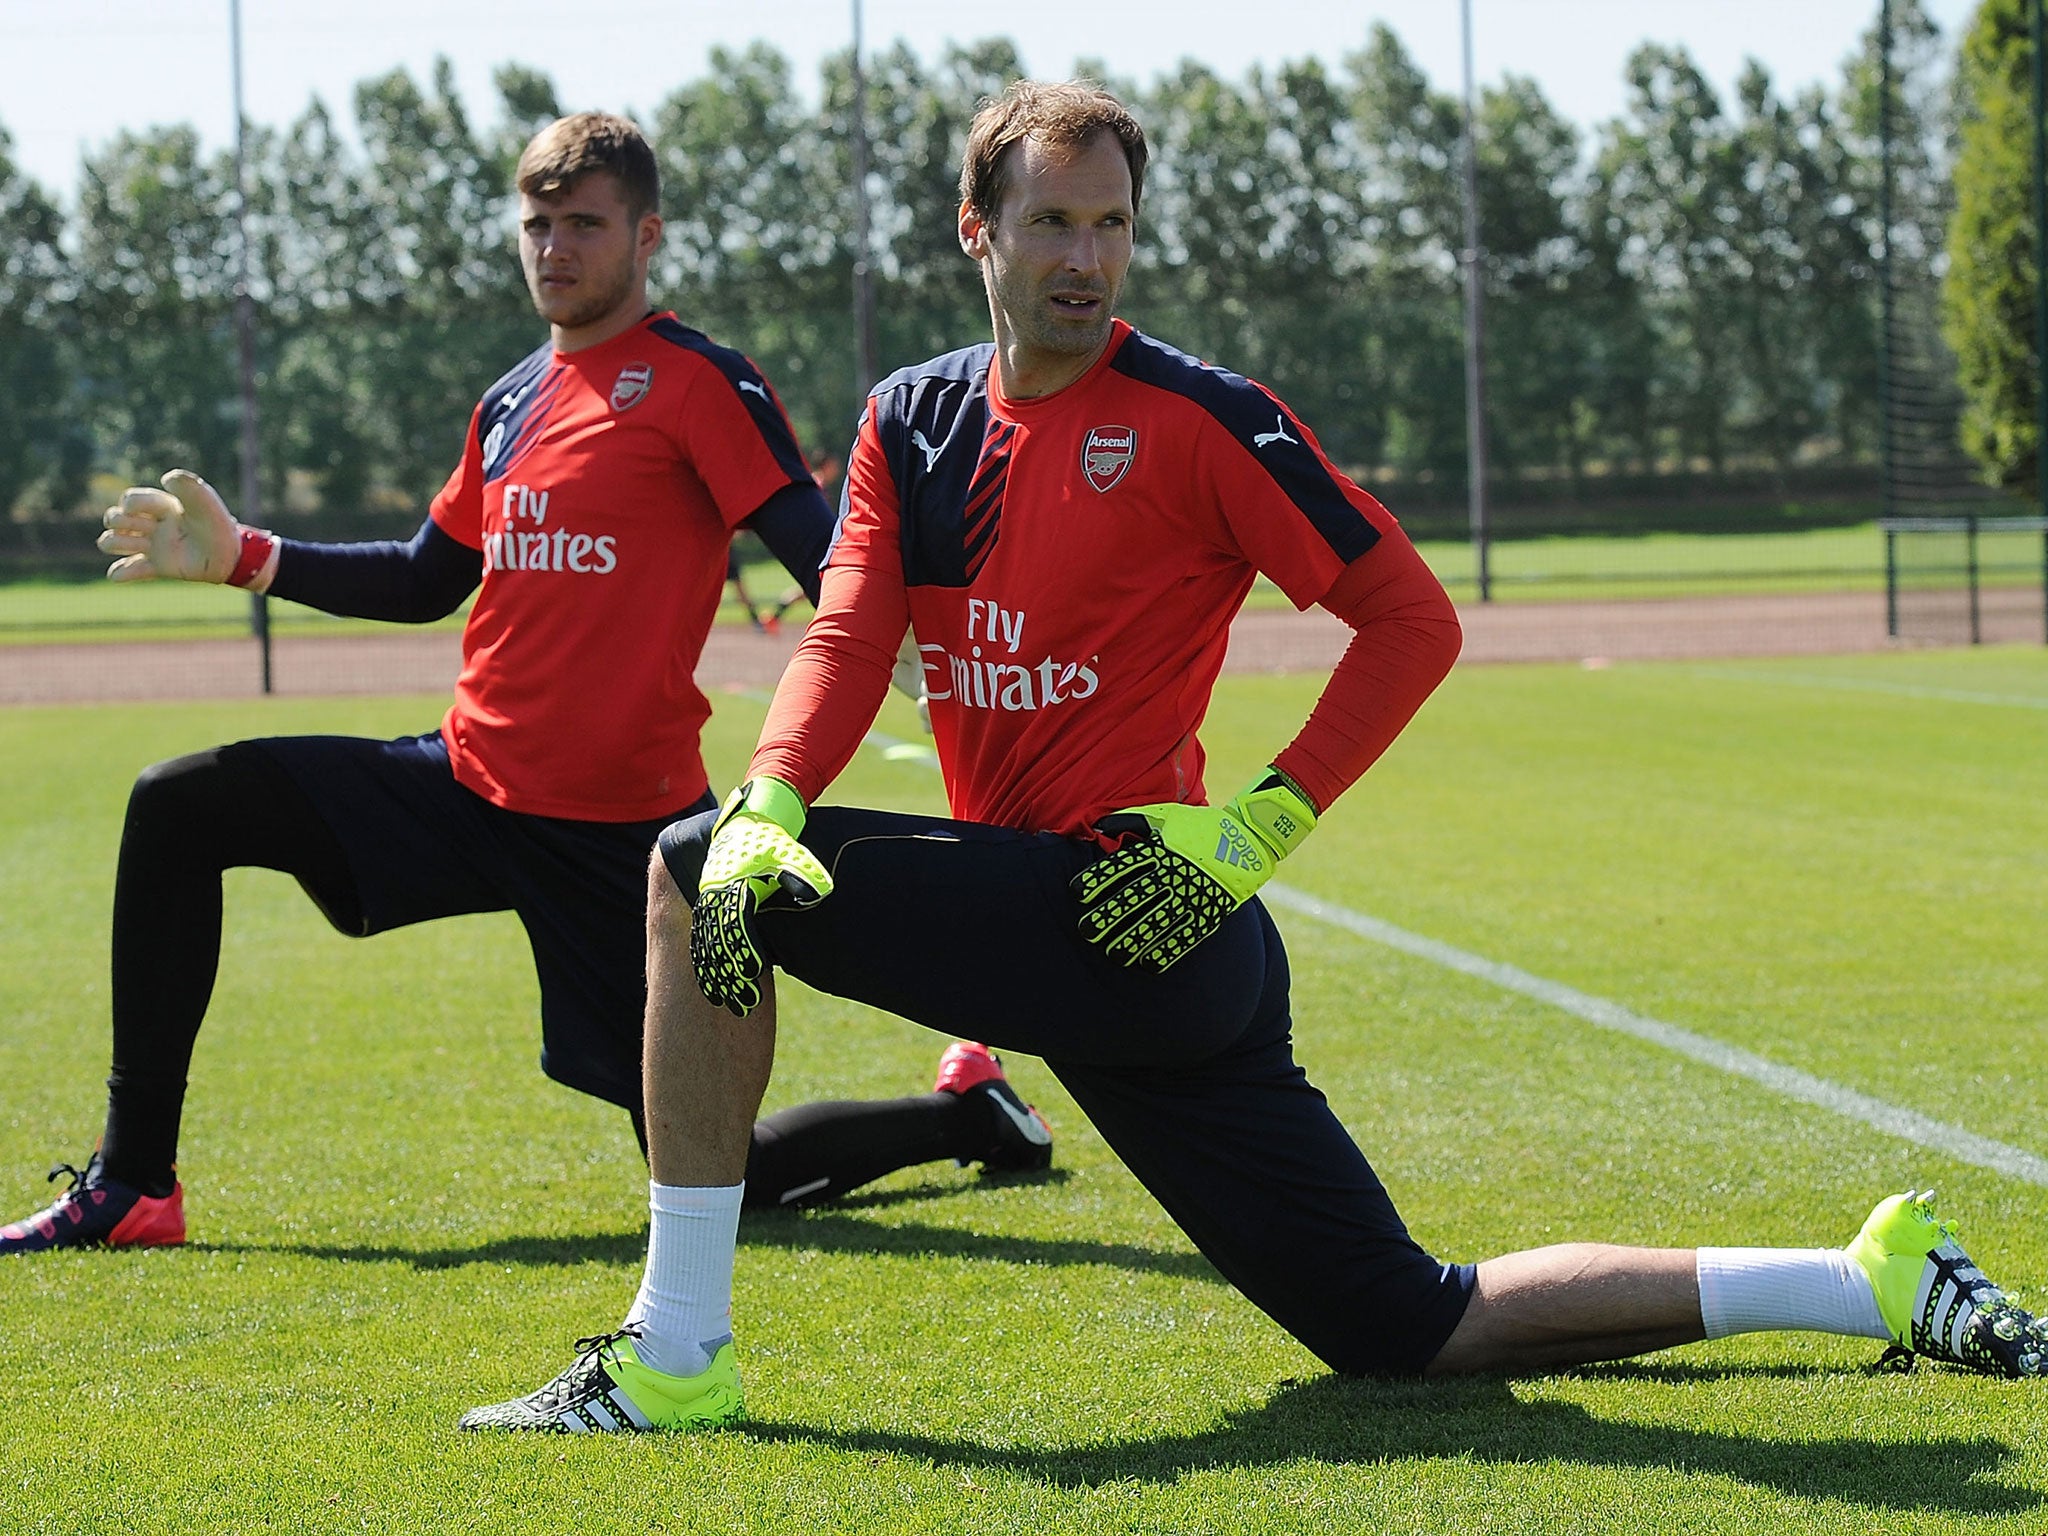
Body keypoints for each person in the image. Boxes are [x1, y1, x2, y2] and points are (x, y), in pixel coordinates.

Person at [461, 83, 2046, 1434]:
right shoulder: (907, 422)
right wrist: (780, 800)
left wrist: (1252, 831)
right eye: (1053, 224)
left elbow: (1409, 619)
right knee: (1407, 1328)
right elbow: (847, 634)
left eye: (1113, 226)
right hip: (1078, 948)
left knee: (682, 876)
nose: (1087, 258)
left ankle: (671, 1359)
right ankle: (1863, 1280)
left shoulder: (1202, 419)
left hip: (1148, 915)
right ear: (977, 230)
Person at [0, 112, 1051, 1257]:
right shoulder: (509, 400)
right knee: (179, 802)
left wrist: (924, 636)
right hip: (462, 784)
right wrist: (248, 556)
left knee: (718, 1174)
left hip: (616, 836)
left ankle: (963, 1113)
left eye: (583, 225)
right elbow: (421, 577)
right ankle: (132, 1184)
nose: (554, 247)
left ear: (644, 235)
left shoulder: (699, 381)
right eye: (537, 224)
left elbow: (815, 542)